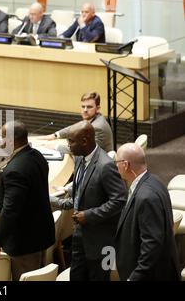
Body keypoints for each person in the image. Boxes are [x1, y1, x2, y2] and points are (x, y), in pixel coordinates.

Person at [50, 121, 126, 281]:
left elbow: (119, 200)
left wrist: (90, 215)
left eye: (71, 141)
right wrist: (49, 199)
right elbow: (79, 196)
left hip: (101, 242)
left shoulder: (105, 166)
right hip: (79, 237)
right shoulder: (79, 159)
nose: (68, 145)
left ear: (84, 141)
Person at [0, 121, 55, 281]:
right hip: (41, 234)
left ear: (10, 140)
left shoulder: (15, 170)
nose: (0, 141)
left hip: (25, 243)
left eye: (2, 137)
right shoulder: (37, 156)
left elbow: (10, 211)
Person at [114, 143, 181, 281]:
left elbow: (152, 245)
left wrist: (135, 277)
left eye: (116, 162)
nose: (115, 166)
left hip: (152, 275)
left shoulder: (146, 197)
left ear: (125, 165)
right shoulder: (155, 180)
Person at [35, 91, 113, 152]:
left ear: (98, 108)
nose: (85, 110)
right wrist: (54, 135)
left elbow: (85, 150)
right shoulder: (93, 118)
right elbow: (72, 128)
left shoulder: (98, 127)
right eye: (83, 106)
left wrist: (56, 146)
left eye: (89, 107)